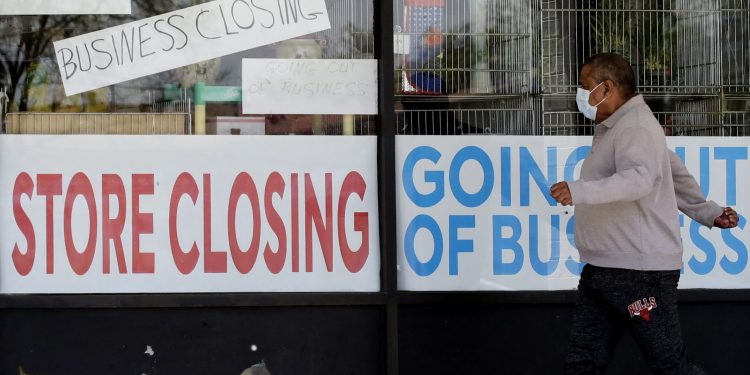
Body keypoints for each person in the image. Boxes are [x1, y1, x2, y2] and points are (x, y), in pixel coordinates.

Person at [549, 53, 739, 374]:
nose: (580, 95)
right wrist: (707, 211)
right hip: (602, 272)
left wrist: (578, 190)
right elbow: (670, 169)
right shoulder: (618, 125)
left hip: (639, 278)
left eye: (585, 86)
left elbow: (639, 179)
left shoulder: (635, 126)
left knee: (669, 366)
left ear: (607, 88)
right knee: (582, 363)